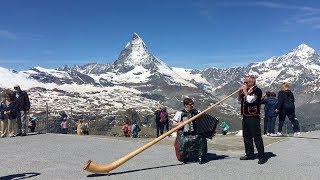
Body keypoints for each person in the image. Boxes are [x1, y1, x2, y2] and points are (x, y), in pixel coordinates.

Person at [238, 75, 267, 164]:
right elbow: (239, 100)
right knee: (246, 136)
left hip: (253, 116)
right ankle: (249, 154)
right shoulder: (246, 91)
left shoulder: (257, 90)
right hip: (245, 116)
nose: (244, 84)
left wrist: (244, 91)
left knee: (256, 136)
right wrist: (240, 92)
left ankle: (262, 156)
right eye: (244, 82)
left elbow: (250, 100)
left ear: (251, 82)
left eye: (246, 82)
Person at [172, 98, 207, 164]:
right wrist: (181, 123)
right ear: (185, 105)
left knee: (202, 138)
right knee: (183, 141)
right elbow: (174, 124)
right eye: (190, 104)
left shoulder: (196, 112)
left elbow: (203, 120)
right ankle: (184, 156)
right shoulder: (180, 113)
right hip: (183, 133)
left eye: (192, 104)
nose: (192, 106)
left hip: (194, 132)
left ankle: (201, 156)